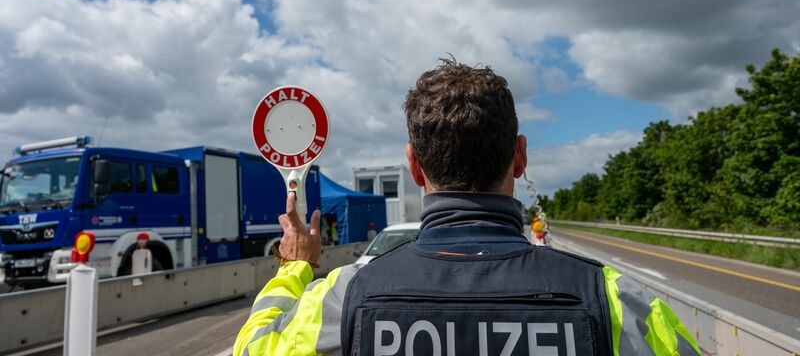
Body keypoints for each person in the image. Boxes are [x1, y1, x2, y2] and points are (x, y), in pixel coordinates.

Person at [234, 59, 701, 356]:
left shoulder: (349, 297)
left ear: (415, 167)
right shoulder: (613, 301)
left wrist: (294, 268)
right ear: (519, 156)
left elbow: (254, 347)